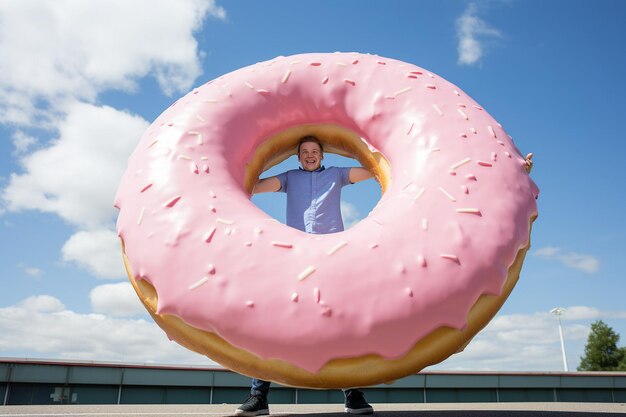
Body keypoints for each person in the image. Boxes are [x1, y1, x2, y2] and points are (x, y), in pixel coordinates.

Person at [236, 135, 374, 416]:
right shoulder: (289, 178)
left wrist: (350, 144)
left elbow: (373, 170)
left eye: (315, 151)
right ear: (297, 157)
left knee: (342, 322)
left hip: (332, 256)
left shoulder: (338, 175)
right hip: (295, 257)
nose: (310, 155)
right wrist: (259, 155)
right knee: (272, 322)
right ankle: (258, 396)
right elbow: (252, 185)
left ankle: (353, 394)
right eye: (304, 152)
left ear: (323, 155)